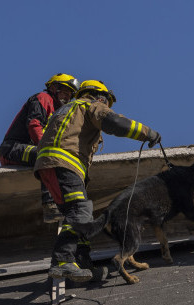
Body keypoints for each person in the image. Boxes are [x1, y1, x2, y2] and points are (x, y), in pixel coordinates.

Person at [34, 80, 162, 281]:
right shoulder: (89, 105)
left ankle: (82, 264)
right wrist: (148, 133)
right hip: (64, 164)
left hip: (50, 167)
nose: (106, 106)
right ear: (100, 96)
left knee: (78, 215)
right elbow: (115, 123)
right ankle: (62, 261)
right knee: (80, 211)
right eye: (107, 102)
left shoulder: (66, 109)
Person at [0, 73, 79, 223]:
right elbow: (34, 125)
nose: (67, 97)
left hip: (30, 149)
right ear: (54, 88)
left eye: (70, 94)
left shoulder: (58, 111)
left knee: (61, 160)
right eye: (65, 92)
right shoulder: (43, 98)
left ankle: (62, 202)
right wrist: (47, 149)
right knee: (49, 156)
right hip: (12, 149)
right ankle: (50, 205)